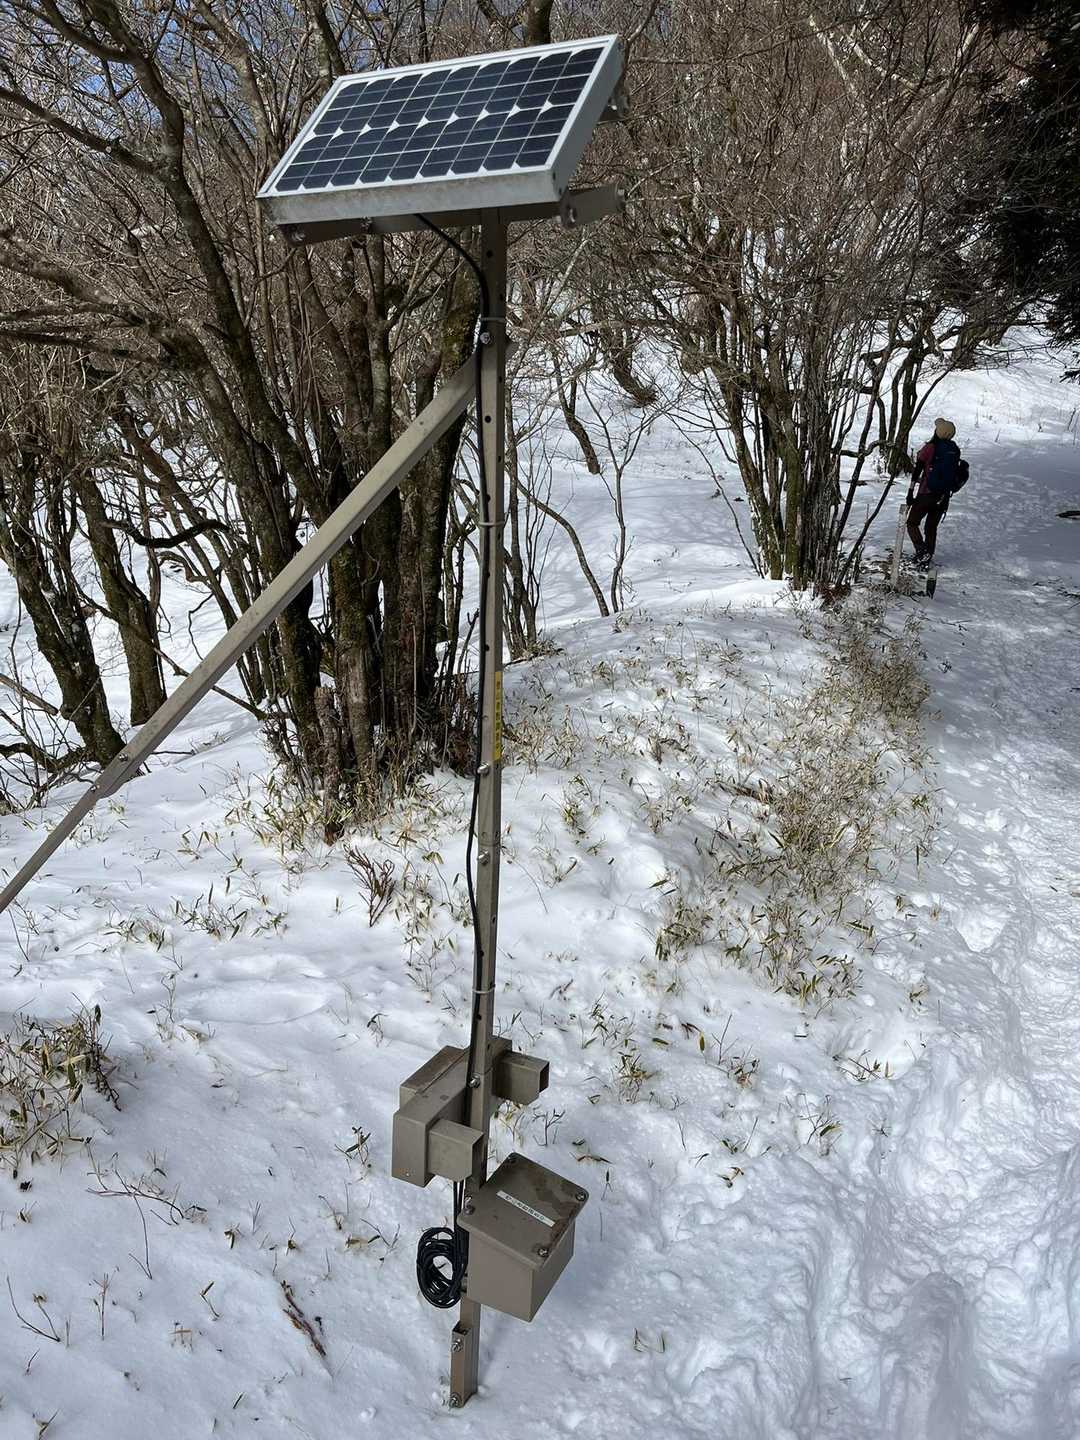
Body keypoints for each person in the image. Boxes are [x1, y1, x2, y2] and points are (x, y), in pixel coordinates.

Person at [906, 417, 969, 567]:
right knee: (931, 527)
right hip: (943, 496)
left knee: (912, 523)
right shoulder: (954, 450)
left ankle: (921, 551)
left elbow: (917, 470)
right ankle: (927, 558)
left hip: (926, 493)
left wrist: (910, 492)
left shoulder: (930, 448)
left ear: (938, 432)